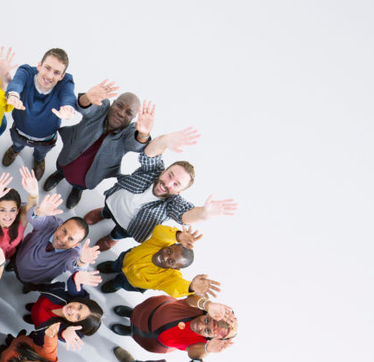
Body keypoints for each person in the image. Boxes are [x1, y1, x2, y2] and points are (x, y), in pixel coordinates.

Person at [83, 127, 237, 251]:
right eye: (170, 175)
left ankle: (112, 238)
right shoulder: (153, 172)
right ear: (163, 171)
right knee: (107, 210)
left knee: (120, 233)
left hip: (128, 227)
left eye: (176, 184)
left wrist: (204, 213)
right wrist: (165, 140)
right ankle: (103, 213)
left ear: (179, 192)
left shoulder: (172, 203)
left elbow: (185, 215)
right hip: (113, 203)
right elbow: (150, 154)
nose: (168, 184)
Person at [43, 85, 152, 208]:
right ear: (113, 103)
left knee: (80, 184)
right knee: (62, 168)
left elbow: (136, 145)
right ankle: (59, 175)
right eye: (119, 106)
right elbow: (85, 108)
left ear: (133, 118)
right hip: (68, 158)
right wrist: (87, 98)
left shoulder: (129, 132)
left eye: (128, 113)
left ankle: (77, 190)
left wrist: (143, 134)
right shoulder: (102, 107)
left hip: (90, 176)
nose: (121, 113)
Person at [1, 48, 80, 180]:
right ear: (39, 66)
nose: (49, 76)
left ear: (62, 76)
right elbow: (17, 82)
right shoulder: (26, 71)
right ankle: (15, 150)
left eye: (56, 72)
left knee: (41, 153)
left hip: (45, 139)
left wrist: (68, 107)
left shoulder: (65, 82)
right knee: (17, 144)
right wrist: (13, 94)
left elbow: (68, 95)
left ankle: (38, 159)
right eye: (47, 68)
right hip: (19, 132)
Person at [96, 225, 222, 296]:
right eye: (169, 251)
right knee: (117, 264)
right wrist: (178, 236)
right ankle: (112, 267)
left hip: (132, 283)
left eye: (171, 261)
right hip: (125, 260)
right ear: (171, 245)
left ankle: (116, 284)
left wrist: (190, 287)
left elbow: (176, 287)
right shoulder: (159, 242)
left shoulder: (170, 277)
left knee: (123, 283)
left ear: (176, 268)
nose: (165, 257)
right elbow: (160, 231)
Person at [13, 192, 99, 292]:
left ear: (76, 245)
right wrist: (40, 211)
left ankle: (27, 287)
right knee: (14, 265)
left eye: (71, 239)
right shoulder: (52, 223)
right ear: (60, 225)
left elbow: (76, 267)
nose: (62, 239)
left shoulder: (72, 254)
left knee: (29, 287)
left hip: (34, 281)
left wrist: (83, 261)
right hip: (17, 258)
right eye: (64, 231)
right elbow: (34, 219)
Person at [110, 295, 237, 362]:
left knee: (140, 334)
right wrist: (207, 304)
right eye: (207, 320)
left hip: (152, 339)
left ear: (210, 338)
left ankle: (130, 331)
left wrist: (207, 349)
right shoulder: (199, 308)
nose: (200, 326)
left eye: (207, 331)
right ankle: (131, 313)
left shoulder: (200, 343)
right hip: (152, 309)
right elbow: (192, 298)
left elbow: (194, 354)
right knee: (140, 313)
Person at [25, 270, 104, 349]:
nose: (73, 310)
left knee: (36, 318)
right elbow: (75, 287)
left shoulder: (62, 327)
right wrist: (76, 278)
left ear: (76, 324)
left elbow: (62, 333)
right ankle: (33, 309)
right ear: (81, 301)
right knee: (35, 308)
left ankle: (33, 318)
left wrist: (64, 334)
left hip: (40, 322)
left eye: (78, 316)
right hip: (41, 303)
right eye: (80, 307)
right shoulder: (75, 297)